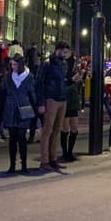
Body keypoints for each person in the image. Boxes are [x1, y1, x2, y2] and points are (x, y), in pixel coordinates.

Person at [0, 56, 36, 174]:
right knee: (12, 138)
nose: (13, 67)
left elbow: (32, 94)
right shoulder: (8, 77)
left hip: (23, 110)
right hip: (10, 110)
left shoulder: (29, 77)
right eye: (12, 64)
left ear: (21, 65)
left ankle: (23, 165)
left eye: (15, 64)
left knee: (21, 137)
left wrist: (36, 107)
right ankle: (12, 165)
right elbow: (2, 92)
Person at [36, 42, 68, 170]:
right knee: (47, 131)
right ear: (58, 51)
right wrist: (41, 103)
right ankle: (44, 161)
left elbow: (63, 81)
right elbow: (39, 83)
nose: (65, 55)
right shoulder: (47, 64)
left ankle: (53, 159)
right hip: (51, 99)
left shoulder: (62, 64)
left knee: (56, 131)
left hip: (61, 99)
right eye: (64, 52)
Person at [61, 56, 82, 162]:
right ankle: (64, 152)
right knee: (65, 129)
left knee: (74, 129)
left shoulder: (75, 74)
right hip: (66, 104)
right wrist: (73, 81)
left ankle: (70, 152)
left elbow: (79, 90)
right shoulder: (64, 75)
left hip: (74, 105)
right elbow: (63, 90)